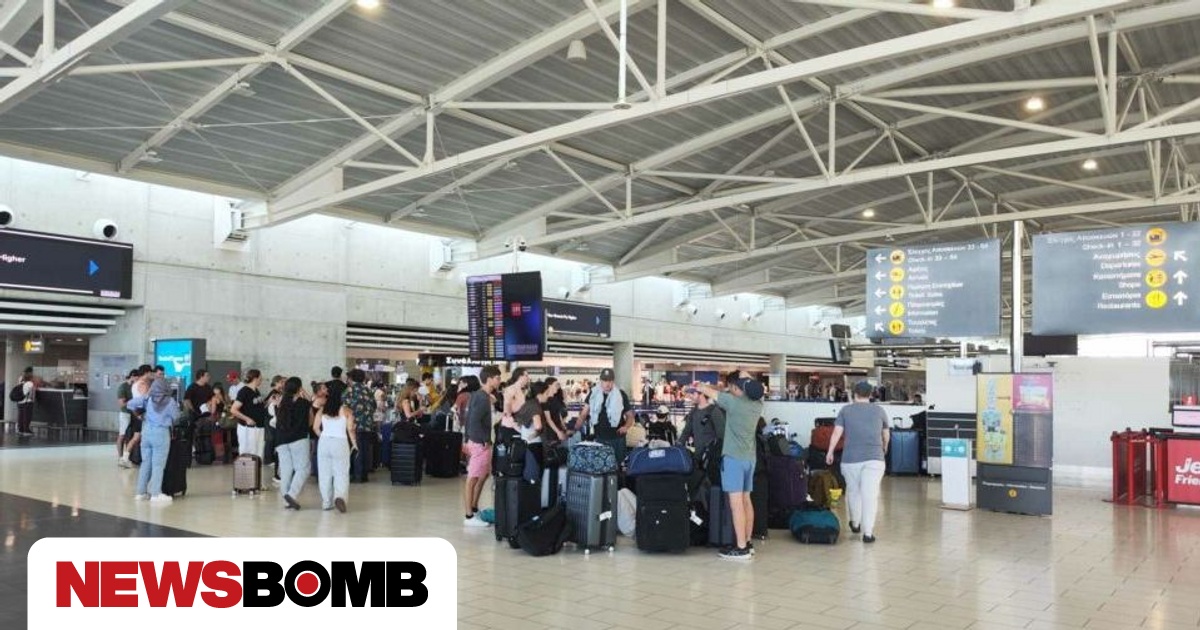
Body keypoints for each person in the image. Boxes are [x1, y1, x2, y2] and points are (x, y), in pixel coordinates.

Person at [699, 374, 764, 561]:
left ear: (738, 390)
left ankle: (741, 548)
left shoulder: (733, 403)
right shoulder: (757, 404)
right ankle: (748, 542)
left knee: (736, 505)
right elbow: (752, 389)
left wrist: (700, 385)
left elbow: (706, 390)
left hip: (734, 459)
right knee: (746, 501)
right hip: (750, 459)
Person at [827, 381, 890, 544]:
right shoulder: (879, 410)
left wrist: (830, 451)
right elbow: (886, 434)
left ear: (854, 394)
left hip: (850, 459)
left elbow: (836, 433)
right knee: (870, 495)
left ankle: (855, 523)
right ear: (871, 395)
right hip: (875, 458)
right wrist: (885, 447)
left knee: (853, 491)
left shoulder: (845, 410)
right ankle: (868, 533)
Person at [127, 374, 180, 503]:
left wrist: (140, 415)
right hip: (161, 433)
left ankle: (140, 493)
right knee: (158, 465)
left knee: (146, 463)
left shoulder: (148, 399)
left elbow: (129, 404)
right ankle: (155, 493)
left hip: (146, 432)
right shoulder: (170, 401)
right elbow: (177, 417)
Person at [462, 365, 501, 527]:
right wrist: (483, 440)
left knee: (483, 475)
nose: (499, 381)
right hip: (480, 443)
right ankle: (469, 516)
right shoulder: (481, 397)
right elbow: (473, 420)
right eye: (497, 378)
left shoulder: (482, 396)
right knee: (473, 478)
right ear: (489, 379)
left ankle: (474, 507)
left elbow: (469, 418)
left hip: (480, 442)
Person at [311, 388, 357, 513]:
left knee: (324, 473)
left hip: (324, 442)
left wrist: (323, 437)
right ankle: (340, 497)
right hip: (340, 442)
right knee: (341, 473)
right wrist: (354, 444)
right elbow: (350, 429)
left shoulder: (322, 410)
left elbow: (315, 428)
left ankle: (326, 502)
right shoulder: (346, 411)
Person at [274, 377, 311, 510]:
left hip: (281, 440)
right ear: (299, 388)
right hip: (298, 438)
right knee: (303, 468)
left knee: (286, 470)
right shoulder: (304, 403)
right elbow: (310, 421)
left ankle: (286, 499)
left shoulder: (281, 402)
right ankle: (291, 494)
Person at [576, 368, 634, 441]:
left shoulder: (621, 395)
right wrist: (575, 429)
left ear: (613, 381)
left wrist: (626, 427)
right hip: (599, 437)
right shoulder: (593, 394)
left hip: (617, 437)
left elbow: (630, 416)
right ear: (601, 381)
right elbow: (583, 414)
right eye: (605, 381)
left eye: (610, 381)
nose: (607, 384)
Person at [343, 368, 377, 483]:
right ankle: (364, 475)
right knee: (365, 449)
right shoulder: (368, 390)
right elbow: (374, 406)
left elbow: (344, 407)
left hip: (354, 425)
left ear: (351, 378)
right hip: (367, 424)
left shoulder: (349, 391)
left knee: (356, 449)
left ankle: (356, 475)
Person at [230, 369, 267, 462]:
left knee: (258, 452)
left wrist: (270, 401)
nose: (261, 380)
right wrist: (247, 419)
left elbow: (258, 407)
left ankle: (256, 470)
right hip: (248, 428)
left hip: (259, 426)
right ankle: (246, 470)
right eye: (260, 378)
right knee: (248, 453)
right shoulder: (244, 391)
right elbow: (233, 409)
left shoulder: (256, 391)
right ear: (255, 378)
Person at [677, 386, 726, 454]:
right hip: (698, 455)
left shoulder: (714, 411)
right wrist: (679, 444)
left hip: (712, 455)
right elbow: (686, 431)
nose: (690, 396)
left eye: (693, 393)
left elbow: (721, 435)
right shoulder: (693, 412)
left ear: (702, 394)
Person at [116, 369, 136, 461]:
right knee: (122, 435)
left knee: (133, 435)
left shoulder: (136, 386)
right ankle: (120, 457)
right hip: (125, 414)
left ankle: (129, 456)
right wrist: (134, 401)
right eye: (136, 378)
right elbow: (122, 404)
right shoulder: (123, 387)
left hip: (135, 413)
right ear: (132, 376)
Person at [15, 367, 35, 436]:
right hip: (27, 402)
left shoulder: (20, 379)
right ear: (30, 373)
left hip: (19, 401)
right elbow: (31, 394)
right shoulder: (30, 383)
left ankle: (20, 429)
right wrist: (32, 400)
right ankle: (26, 430)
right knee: (27, 416)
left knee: (20, 415)